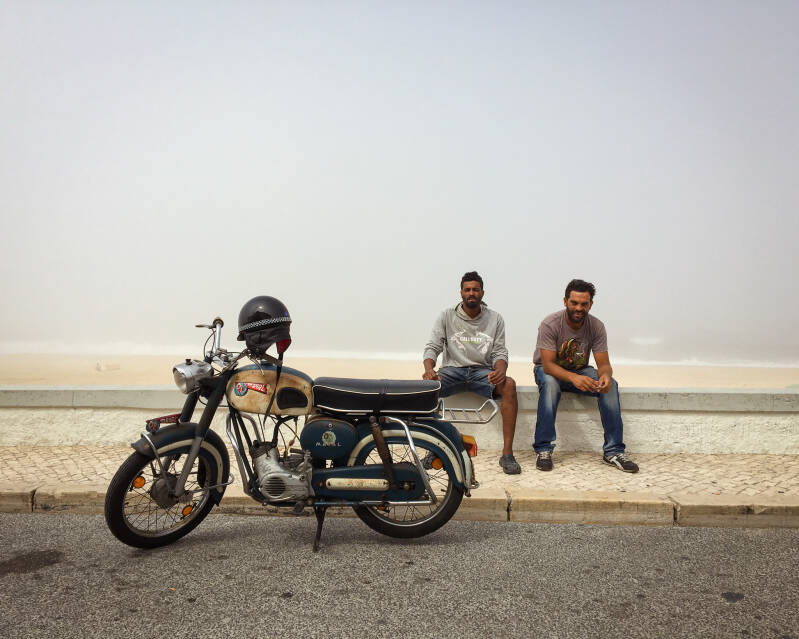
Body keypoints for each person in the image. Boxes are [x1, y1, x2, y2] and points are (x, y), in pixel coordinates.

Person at [533, 279, 639, 473]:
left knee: (611, 386)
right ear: (565, 301)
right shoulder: (550, 324)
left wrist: (605, 376)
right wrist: (574, 378)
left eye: (584, 304)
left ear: (591, 304)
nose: (579, 308)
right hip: (550, 371)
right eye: (574, 302)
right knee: (550, 385)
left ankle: (614, 451)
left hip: (580, 370)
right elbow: (547, 365)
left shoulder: (596, 326)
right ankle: (543, 449)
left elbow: (604, 365)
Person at [423, 271, 521, 474]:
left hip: (482, 373)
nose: (471, 293)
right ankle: (433, 449)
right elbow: (433, 346)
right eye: (467, 289)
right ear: (461, 292)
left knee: (509, 385)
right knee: (426, 388)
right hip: (452, 371)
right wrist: (429, 369)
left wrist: (500, 370)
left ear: (482, 292)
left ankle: (507, 454)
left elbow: (500, 351)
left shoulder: (495, 318)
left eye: (475, 289)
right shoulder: (447, 316)